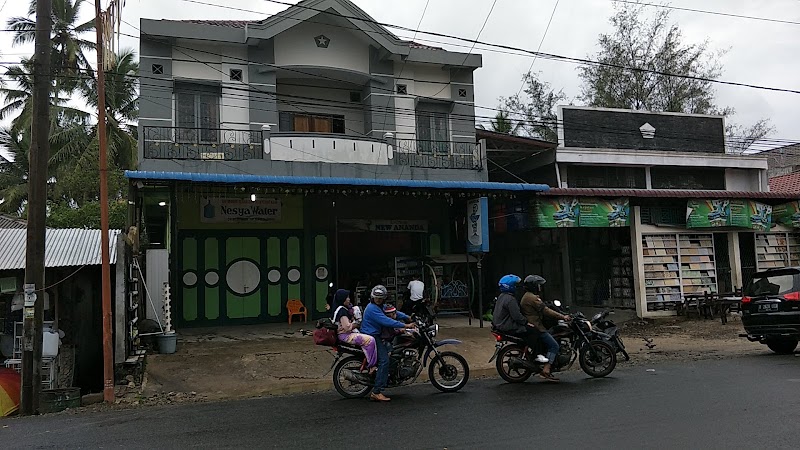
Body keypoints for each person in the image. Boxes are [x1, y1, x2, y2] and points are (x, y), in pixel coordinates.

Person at [491, 274, 555, 381]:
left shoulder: (502, 297)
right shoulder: (510, 299)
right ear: (509, 286)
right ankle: (537, 356)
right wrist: (526, 322)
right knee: (535, 332)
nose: (516, 287)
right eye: (515, 285)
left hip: (500, 325)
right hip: (509, 326)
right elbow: (517, 316)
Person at [360, 285, 417, 402]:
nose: (379, 300)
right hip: (372, 336)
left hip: (378, 334)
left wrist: (408, 317)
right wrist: (405, 325)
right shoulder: (372, 308)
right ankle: (376, 391)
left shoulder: (380, 306)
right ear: (373, 297)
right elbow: (386, 321)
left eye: (381, 298)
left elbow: (393, 312)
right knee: (384, 360)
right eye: (377, 298)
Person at [520, 275, 570, 381]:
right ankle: (546, 370)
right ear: (533, 286)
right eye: (538, 285)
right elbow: (545, 310)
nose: (540, 287)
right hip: (537, 327)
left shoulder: (528, 296)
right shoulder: (532, 298)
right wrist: (563, 316)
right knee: (554, 346)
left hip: (534, 325)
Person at [331, 289, 377, 374]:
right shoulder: (342, 311)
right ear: (342, 299)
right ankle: (372, 366)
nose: (349, 299)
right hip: (345, 335)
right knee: (370, 340)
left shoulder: (341, 309)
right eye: (347, 297)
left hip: (346, 334)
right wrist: (357, 324)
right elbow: (347, 327)